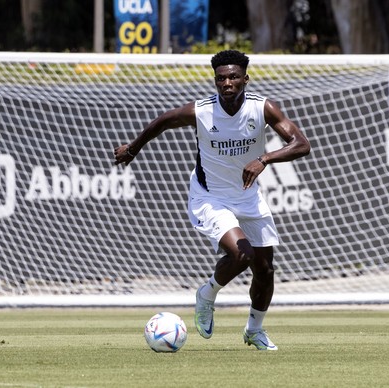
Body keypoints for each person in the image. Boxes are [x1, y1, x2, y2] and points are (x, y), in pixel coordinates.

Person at [114, 50, 310, 350]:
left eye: (233, 77)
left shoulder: (263, 108)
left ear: (246, 78)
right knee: (241, 255)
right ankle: (206, 295)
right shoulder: (202, 111)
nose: (227, 83)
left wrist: (264, 159)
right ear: (215, 81)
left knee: (265, 269)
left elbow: (301, 145)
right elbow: (163, 121)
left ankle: (254, 330)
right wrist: (133, 148)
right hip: (210, 197)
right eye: (221, 78)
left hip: (248, 197)